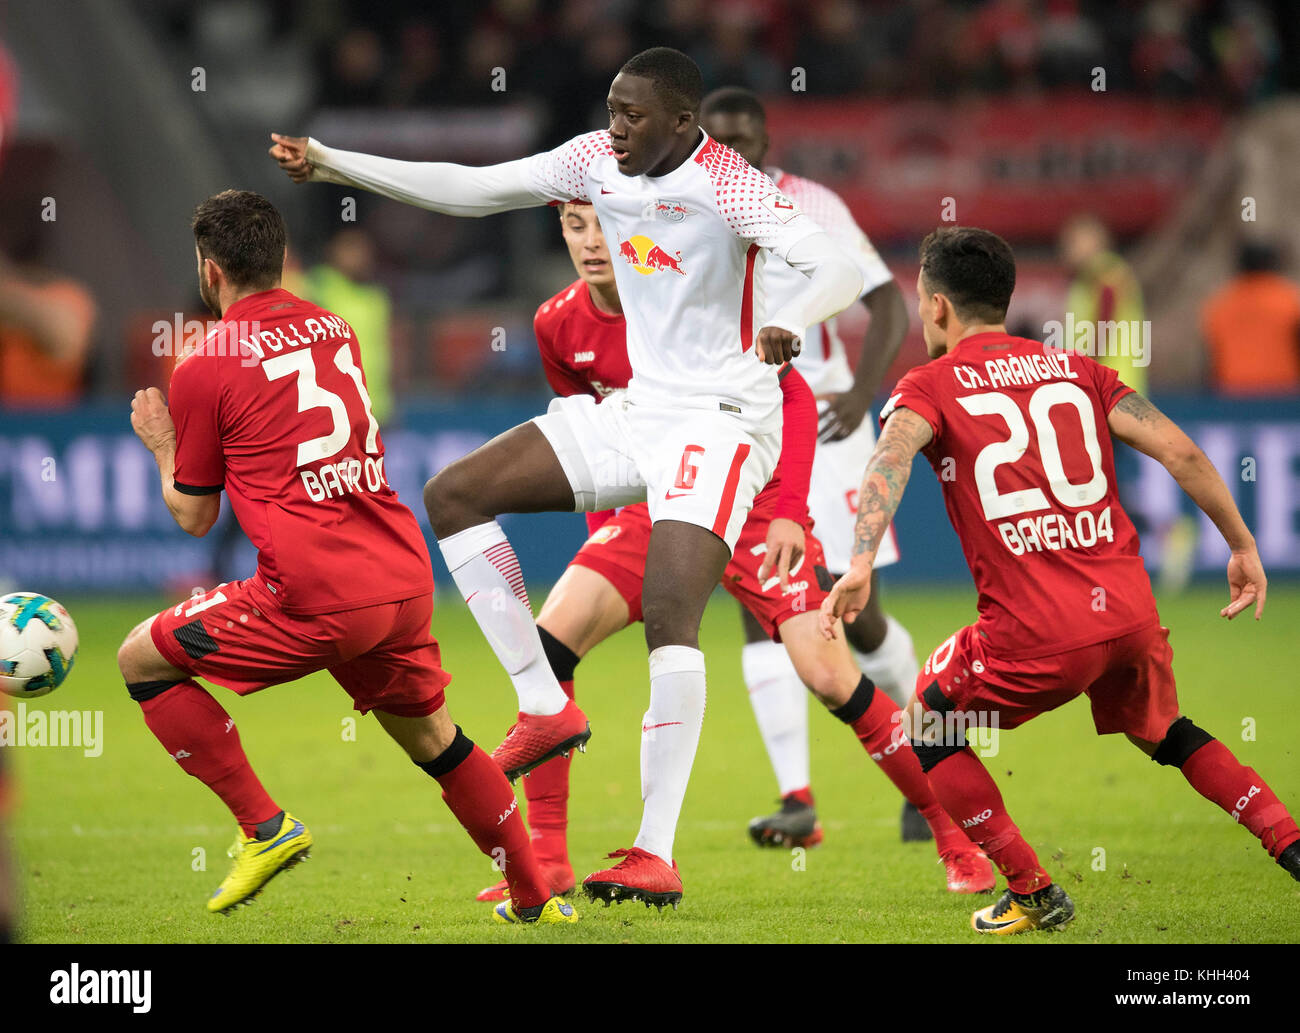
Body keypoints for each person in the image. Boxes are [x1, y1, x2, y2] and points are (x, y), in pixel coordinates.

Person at [269, 47, 866, 906]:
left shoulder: (726, 180)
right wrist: (332, 162)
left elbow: (836, 266)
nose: (613, 127)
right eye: (611, 109)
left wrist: (793, 318)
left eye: (632, 115)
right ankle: (544, 704)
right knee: (456, 495)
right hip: (640, 409)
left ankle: (653, 850)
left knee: (670, 612)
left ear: (682, 123)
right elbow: (471, 186)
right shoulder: (592, 159)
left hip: (726, 419)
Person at [471, 202, 992, 905]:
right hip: (650, 508)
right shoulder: (555, 323)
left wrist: (790, 513)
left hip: (749, 504)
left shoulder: (691, 299)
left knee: (828, 672)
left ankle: (954, 837)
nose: (593, 241)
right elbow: (581, 430)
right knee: (546, 649)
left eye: (603, 224)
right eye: (574, 225)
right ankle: (548, 859)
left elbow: (795, 395)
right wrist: (600, 527)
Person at [822, 225, 1300, 934]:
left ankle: (1032, 888)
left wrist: (859, 558)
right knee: (1165, 731)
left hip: (1035, 634)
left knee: (925, 720)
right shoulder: (1078, 369)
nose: (922, 312)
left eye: (922, 301)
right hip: (1128, 616)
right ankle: (1288, 840)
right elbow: (1183, 449)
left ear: (940, 308)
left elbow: (889, 459)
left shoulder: (928, 383)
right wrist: (1242, 544)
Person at [118, 189, 575, 925]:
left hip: (315, 594)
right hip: (399, 576)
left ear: (210, 271)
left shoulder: (204, 363)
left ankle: (264, 828)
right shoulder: (334, 327)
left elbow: (196, 516)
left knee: (140, 657)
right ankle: (535, 897)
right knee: (436, 739)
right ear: (279, 258)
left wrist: (165, 445)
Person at [700, 86, 926, 844]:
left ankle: (928, 745)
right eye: (716, 139)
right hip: (737, 426)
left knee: (854, 616)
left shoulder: (811, 205)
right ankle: (797, 799)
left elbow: (887, 302)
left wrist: (864, 393)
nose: (732, 152)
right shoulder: (685, 207)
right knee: (758, 606)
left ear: (767, 140)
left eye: (744, 139)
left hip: (822, 423)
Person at [1060, 212, 1147, 395]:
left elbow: (1105, 316)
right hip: (1111, 383)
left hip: (1110, 383)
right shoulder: (1086, 278)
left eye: (1073, 241)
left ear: (1095, 239)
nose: (1067, 249)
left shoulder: (1105, 271)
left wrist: (1087, 367)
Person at [1202, 241, 1300, 396]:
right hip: (1283, 391)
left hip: (1233, 391)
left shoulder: (1220, 303)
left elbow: (1211, 355)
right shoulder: (1288, 299)